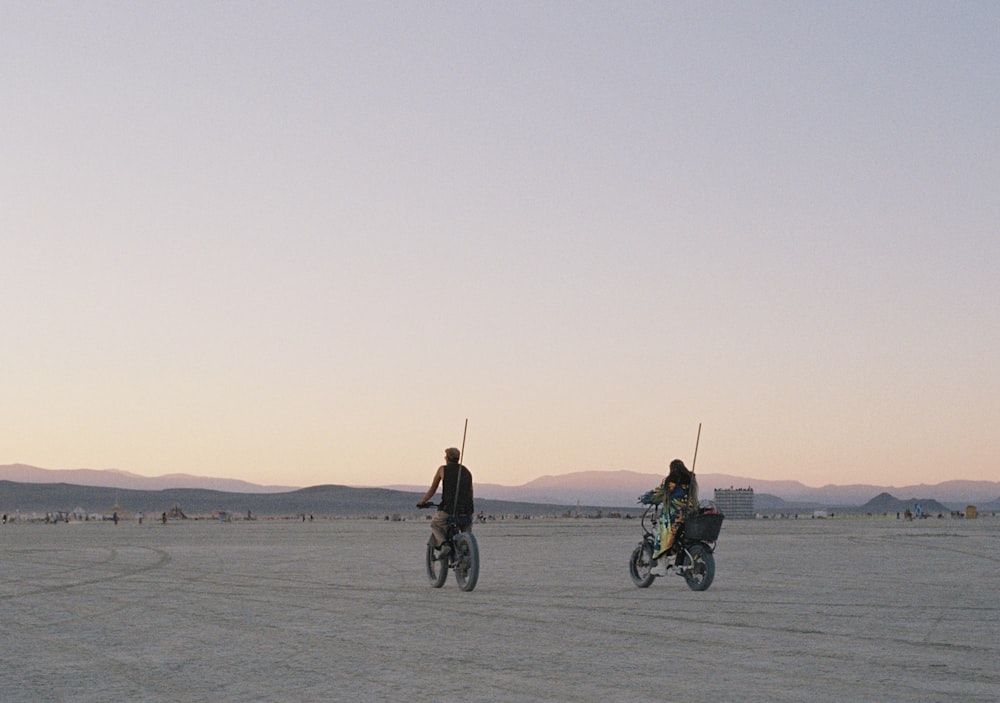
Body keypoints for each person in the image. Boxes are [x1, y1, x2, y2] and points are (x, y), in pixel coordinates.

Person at [416, 447, 474, 559]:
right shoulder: (467, 471)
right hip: (467, 511)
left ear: (446, 458)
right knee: (467, 530)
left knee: (435, 524)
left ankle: (444, 544)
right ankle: (467, 554)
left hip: (448, 510)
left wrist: (422, 502)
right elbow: (471, 491)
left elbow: (433, 489)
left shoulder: (442, 469)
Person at [641, 459, 695, 561]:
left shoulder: (672, 481)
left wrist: (645, 498)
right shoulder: (691, 481)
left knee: (662, 537)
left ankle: (662, 565)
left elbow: (659, 493)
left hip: (675, 515)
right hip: (690, 513)